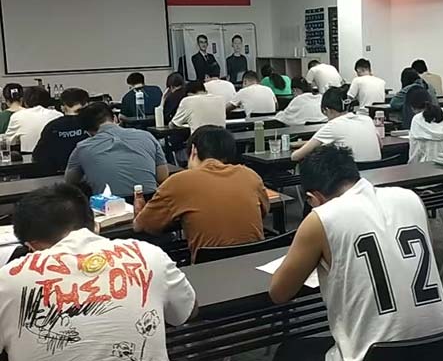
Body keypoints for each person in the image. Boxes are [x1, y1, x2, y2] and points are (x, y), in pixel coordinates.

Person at [270, 145, 443, 361]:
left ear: (314, 197)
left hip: (377, 355)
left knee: (289, 352)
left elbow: (279, 293)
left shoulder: (322, 217)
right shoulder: (409, 197)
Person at [0, 183, 197, 361]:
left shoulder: (8, 280)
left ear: (32, 245)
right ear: (96, 226)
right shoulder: (149, 255)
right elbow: (187, 311)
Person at [134, 126, 269, 262]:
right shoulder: (250, 175)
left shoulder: (178, 182)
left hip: (208, 268)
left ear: (194, 150)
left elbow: (143, 225)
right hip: (258, 262)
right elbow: (264, 211)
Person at [65, 102, 169, 198]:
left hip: (110, 206)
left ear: (87, 132)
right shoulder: (147, 136)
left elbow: (70, 182)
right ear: (115, 118)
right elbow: (162, 176)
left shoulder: (82, 148)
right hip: (150, 202)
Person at [291, 87, 381, 163]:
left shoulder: (333, 125)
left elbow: (295, 156)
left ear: (327, 110)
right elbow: (380, 145)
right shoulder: (367, 119)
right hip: (376, 172)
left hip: (351, 176)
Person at [33, 88, 90, 175]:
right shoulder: (93, 124)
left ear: (62, 107)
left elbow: (38, 156)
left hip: (59, 175)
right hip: (89, 172)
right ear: (87, 104)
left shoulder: (52, 127)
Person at [5, 86, 62, 153]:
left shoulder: (17, 116)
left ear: (25, 102)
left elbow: (8, 141)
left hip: (28, 157)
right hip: (56, 156)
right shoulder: (58, 115)